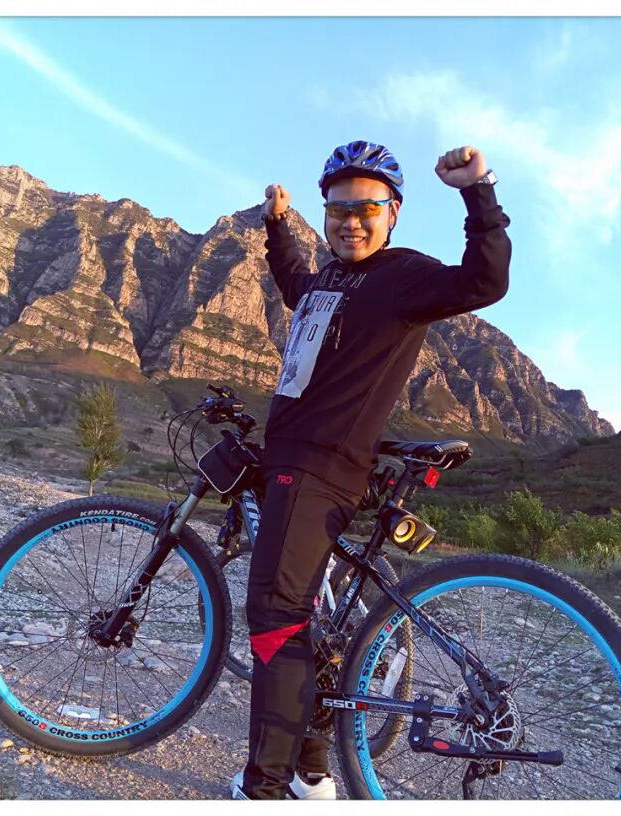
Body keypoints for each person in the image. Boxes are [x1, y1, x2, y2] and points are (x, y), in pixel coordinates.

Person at [231, 140, 512, 799]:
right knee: (303, 621)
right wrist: (278, 224)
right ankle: (310, 773)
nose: (351, 221)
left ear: (394, 213)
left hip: (318, 467)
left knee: (274, 616)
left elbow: (485, 282)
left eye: (367, 209)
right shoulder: (329, 281)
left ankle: (264, 788)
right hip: (293, 461)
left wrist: (478, 190)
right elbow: (294, 283)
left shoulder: (402, 276)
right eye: (338, 209)